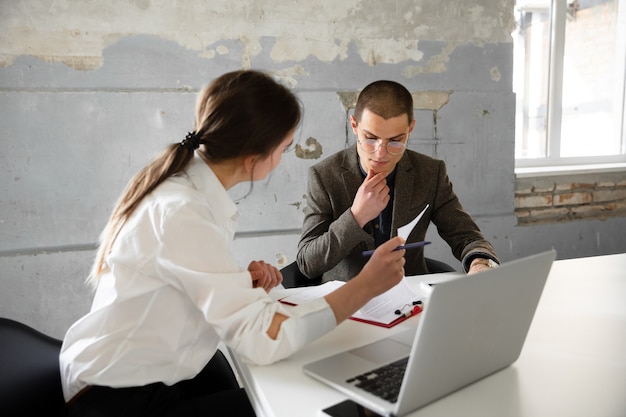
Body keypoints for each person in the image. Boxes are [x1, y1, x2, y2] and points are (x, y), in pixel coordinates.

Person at [59, 70, 408, 417]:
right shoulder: (183, 211)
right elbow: (263, 341)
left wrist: (238, 282)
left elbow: (179, 282)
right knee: (330, 403)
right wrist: (365, 286)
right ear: (254, 157)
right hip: (120, 399)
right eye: (284, 148)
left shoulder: (185, 189)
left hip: (148, 373)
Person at [296, 80, 499, 283]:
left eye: (395, 141)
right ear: (354, 126)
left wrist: (481, 263)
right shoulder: (324, 176)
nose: (381, 153)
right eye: (370, 138)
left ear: (410, 129)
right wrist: (356, 217)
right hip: (346, 301)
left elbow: (467, 236)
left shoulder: (430, 173)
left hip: (409, 299)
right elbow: (307, 263)